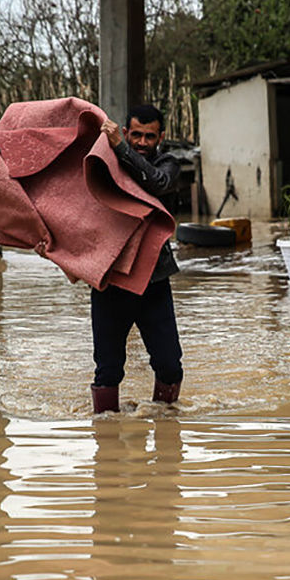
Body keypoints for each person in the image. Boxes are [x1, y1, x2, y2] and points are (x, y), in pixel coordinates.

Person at [88, 103, 184, 413]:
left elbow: (155, 182)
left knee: (170, 365)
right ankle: (105, 442)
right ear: (126, 132)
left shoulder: (169, 165)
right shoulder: (104, 163)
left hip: (153, 282)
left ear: (161, 137)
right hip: (110, 282)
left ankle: (167, 426)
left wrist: (121, 149)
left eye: (150, 137)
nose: (142, 143)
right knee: (107, 370)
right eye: (136, 135)